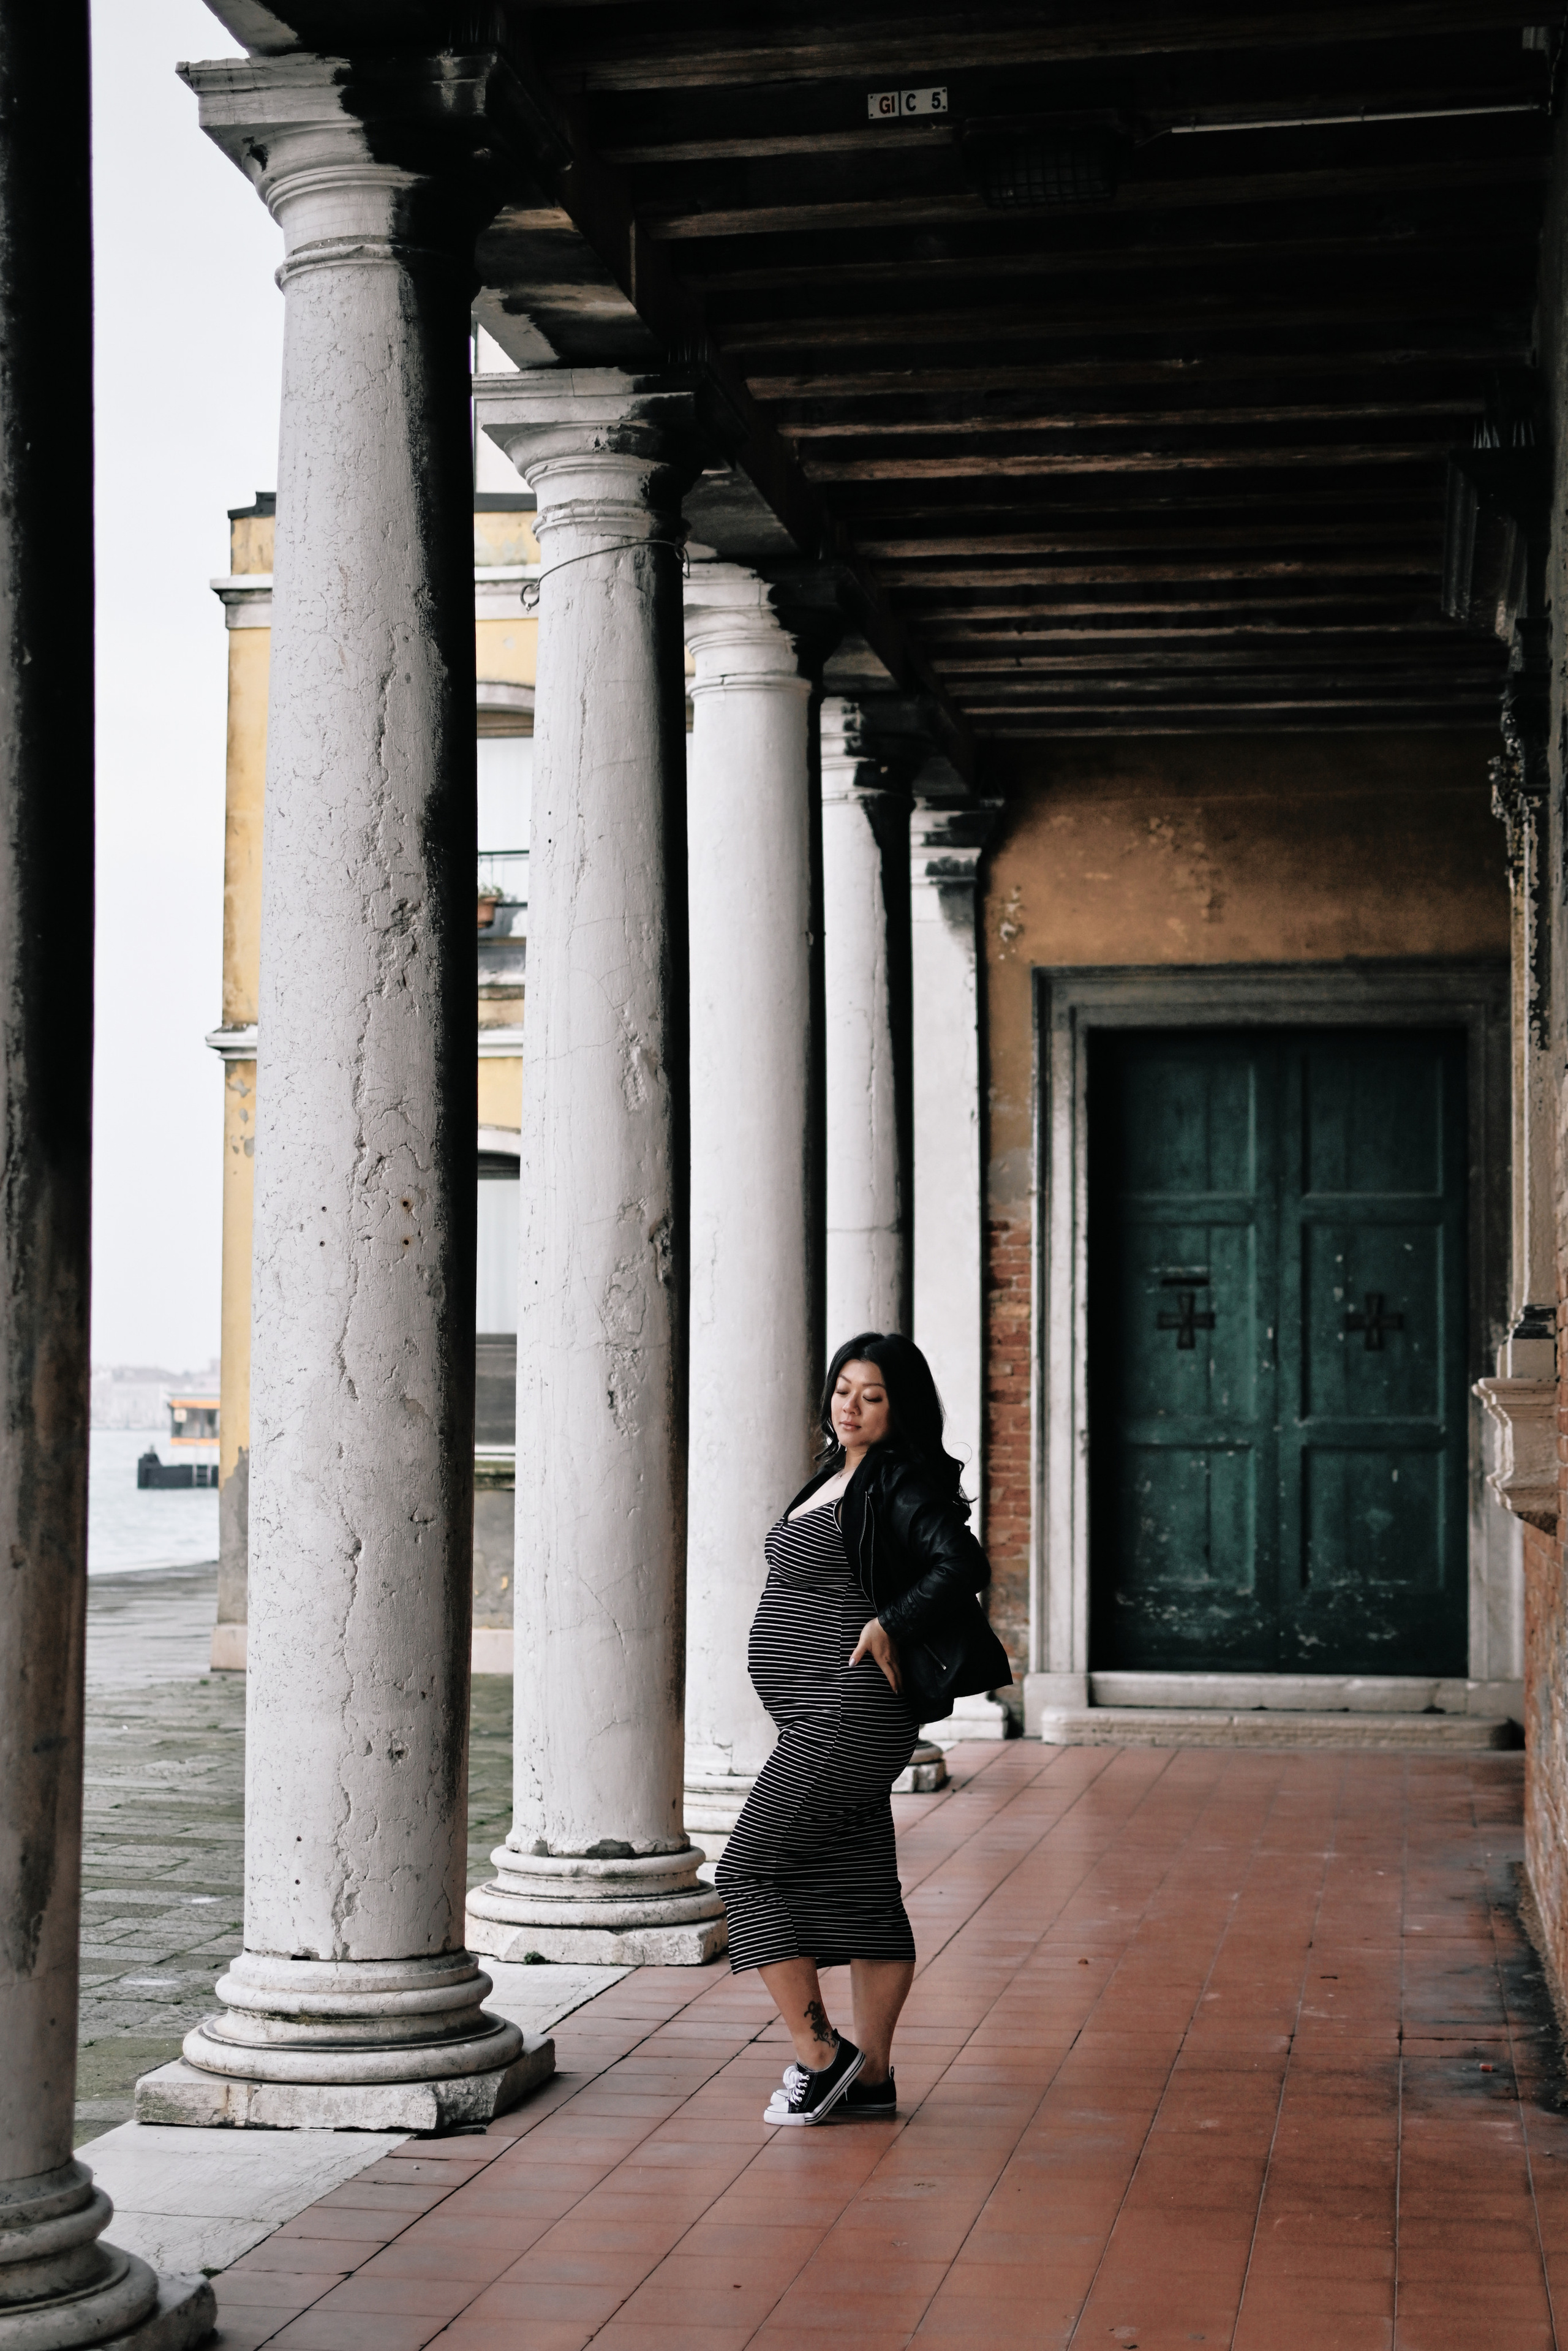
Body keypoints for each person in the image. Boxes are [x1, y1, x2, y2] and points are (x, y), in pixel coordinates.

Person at [715, 1330, 1012, 2126]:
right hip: (817, 1712)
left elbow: (964, 1564)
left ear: (899, 1406)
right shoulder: (836, 1472)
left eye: (871, 1394)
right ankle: (872, 2080)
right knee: (864, 1895)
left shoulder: (900, 1480)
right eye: (843, 1387)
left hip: (845, 1712)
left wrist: (888, 1623)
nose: (850, 1404)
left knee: (745, 1872)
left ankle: (824, 2054)